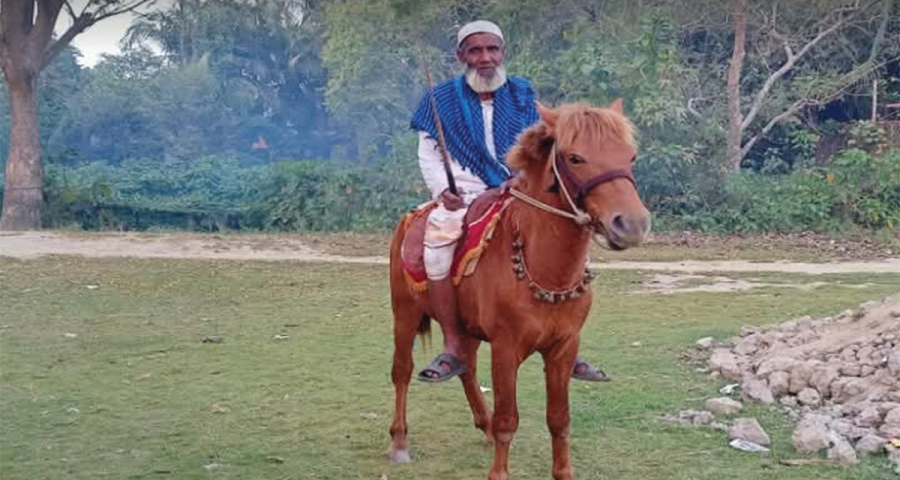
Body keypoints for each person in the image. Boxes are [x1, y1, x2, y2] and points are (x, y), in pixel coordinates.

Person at [410, 20, 610, 384]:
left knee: (569, 238)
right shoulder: (439, 99)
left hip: (517, 190)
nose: (485, 57)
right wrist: (443, 191)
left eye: (492, 49)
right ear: (461, 56)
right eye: (475, 50)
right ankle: (454, 345)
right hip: (464, 194)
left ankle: (568, 342)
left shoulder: (522, 92)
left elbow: (541, 145)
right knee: (437, 244)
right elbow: (427, 151)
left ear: (502, 53)